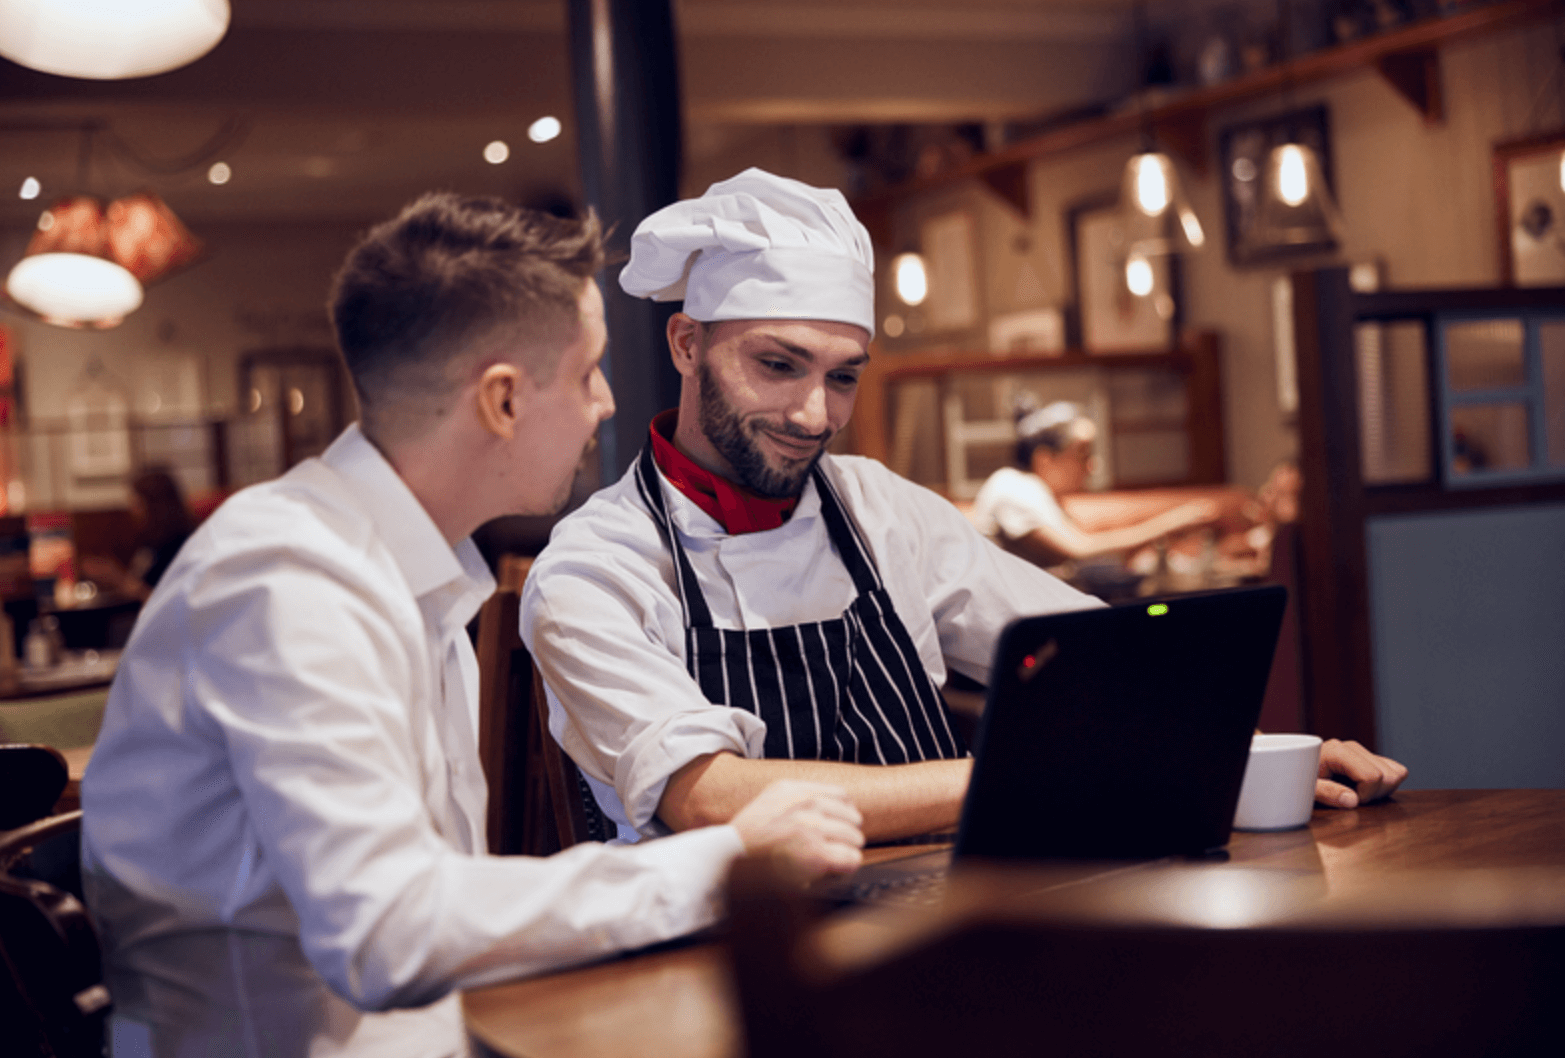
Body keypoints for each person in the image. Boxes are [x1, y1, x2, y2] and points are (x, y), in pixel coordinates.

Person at [80, 193, 863, 1058]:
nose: (606, 403)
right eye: (586, 373)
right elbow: (387, 934)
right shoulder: (288, 578)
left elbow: (441, 907)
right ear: (501, 401)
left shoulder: (410, 568)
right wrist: (724, 861)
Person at [521, 169, 1407, 850]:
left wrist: (1247, 751)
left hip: (945, 919)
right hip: (733, 959)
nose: (814, 416)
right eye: (778, 365)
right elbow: (712, 798)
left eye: (843, 377)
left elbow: (1096, 654)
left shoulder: (880, 512)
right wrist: (1032, 771)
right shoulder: (596, 568)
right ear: (687, 344)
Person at [971, 399, 1222, 567]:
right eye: (1082, 455)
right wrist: (1172, 522)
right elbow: (1081, 549)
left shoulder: (1036, 492)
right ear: (1044, 460)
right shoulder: (1013, 486)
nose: (1092, 466)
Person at [78, 467, 197, 601]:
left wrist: (116, 578)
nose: (132, 510)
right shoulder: (151, 541)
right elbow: (138, 582)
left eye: (138, 504)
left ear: (156, 507)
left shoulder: (179, 545)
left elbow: (167, 601)